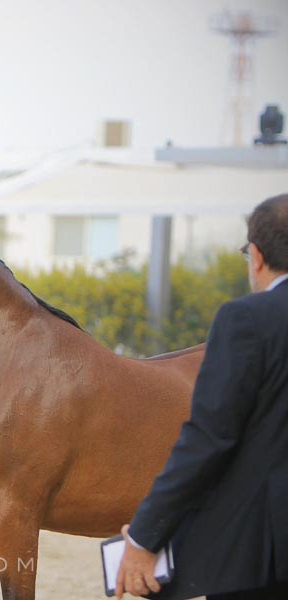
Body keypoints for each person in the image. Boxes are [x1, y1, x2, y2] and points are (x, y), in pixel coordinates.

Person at [116, 194, 288, 600]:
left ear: (256, 256)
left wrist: (143, 536)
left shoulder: (246, 319)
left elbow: (209, 438)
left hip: (264, 553)